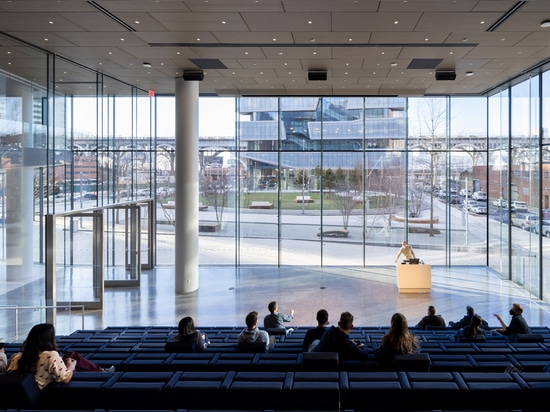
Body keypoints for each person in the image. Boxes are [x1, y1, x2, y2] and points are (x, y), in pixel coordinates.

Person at [6, 323, 114, 391]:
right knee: (74, 360)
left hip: (20, 393)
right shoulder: (51, 355)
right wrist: (70, 366)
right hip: (40, 393)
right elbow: (65, 379)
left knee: (72, 356)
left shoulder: (17, 357)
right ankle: (102, 372)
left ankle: (101, 371)